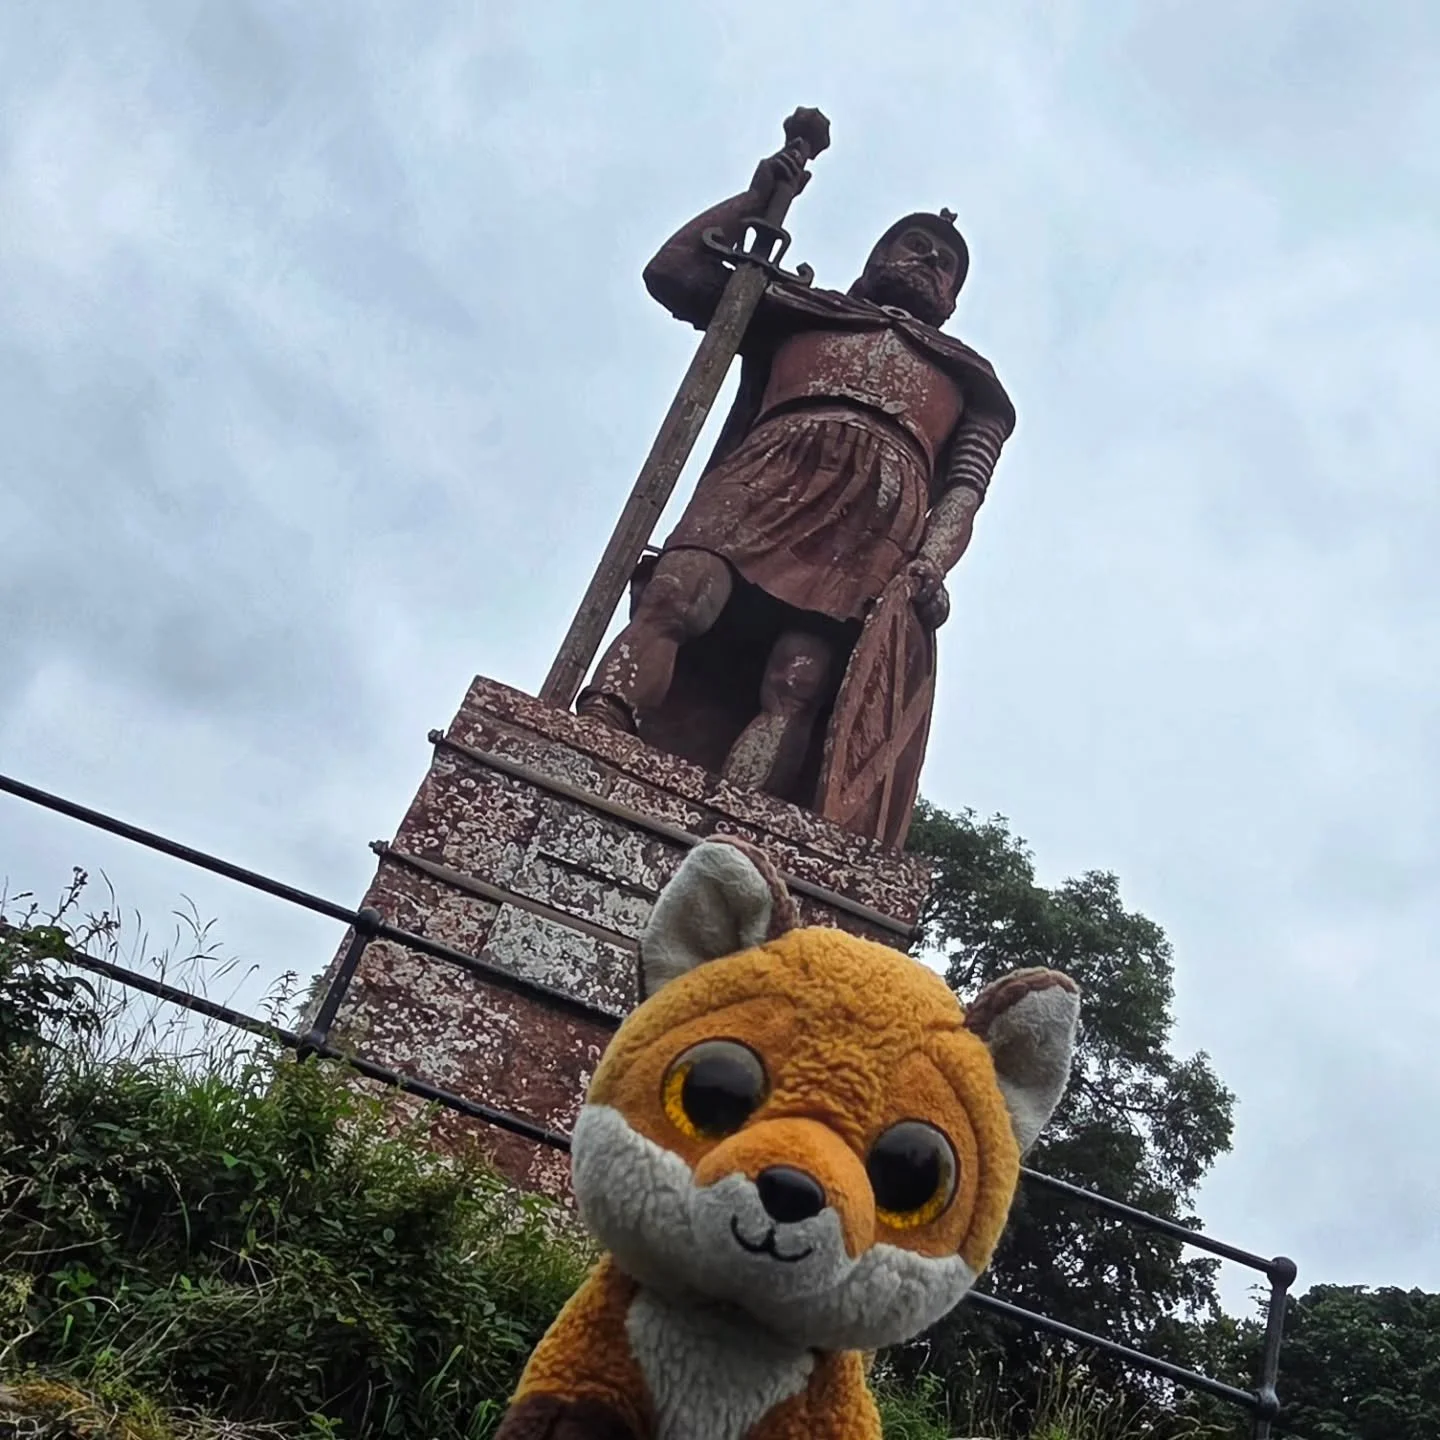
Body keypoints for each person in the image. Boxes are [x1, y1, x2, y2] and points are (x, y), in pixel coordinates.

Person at [576, 145, 1016, 810]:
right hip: (763, 473)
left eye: (945, 262)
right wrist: (755, 201)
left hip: (874, 523)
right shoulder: (798, 308)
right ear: (876, 259)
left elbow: (964, 490)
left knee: (801, 676)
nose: (928, 260)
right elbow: (674, 273)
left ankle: (741, 813)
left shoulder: (971, 380)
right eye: (915, 245)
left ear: (952, 296)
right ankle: (593, 731)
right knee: (676, 595)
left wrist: (931, 564)